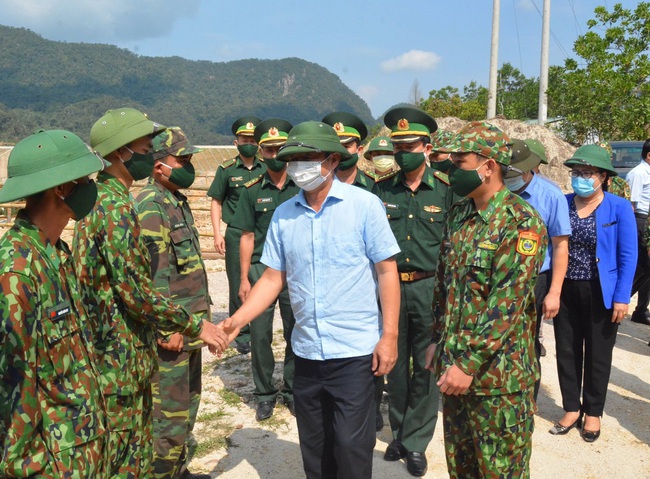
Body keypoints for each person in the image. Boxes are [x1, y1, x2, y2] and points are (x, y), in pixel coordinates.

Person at [220, 120, 401, 479]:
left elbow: (386, 272)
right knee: (315, 450)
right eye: (294, 158)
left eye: (309, 157)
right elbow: (273, 278)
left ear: (333, 161)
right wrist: (235, 321)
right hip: (306, 353)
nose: (300, 166)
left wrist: (390, 336)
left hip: (355, 352)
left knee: (352, 448)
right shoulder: (284, 215)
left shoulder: (364, 206)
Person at [72, 108, 228, 478]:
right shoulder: (114, 207)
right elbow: (136, 291)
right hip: (119, 356)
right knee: (140, 441)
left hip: (129, 349)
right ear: (122, 151)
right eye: (145, 146)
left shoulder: (114, 201)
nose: (150, 152)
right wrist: (193, 326)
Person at [425, 121, 547, 478]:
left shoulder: (520, 222)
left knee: (501, 472)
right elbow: (445, 286)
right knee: (462, 469)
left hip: (498, 381)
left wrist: (469, 363)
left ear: (489, 166)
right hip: (455, 370)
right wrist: (437, 339)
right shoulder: (460, 214)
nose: (451, 170)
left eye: (459, 162)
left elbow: (506, 303)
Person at [0, 130, 109, 478]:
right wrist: (26, 468)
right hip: (50, 461)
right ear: (61, 189)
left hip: (80, 446)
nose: (93, 187)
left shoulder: (55, 252)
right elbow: (14, 384)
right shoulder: (16, 271)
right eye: (86, 180)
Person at [373, 106, 454, 477]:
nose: (403, 152)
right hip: (390, 288)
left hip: (429, 288)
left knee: (426, 365)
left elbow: (453, 245)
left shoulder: (448, 190)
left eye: (410, 145)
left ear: (427, 146)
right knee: (394, 366)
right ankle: (400, 433)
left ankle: (418, 441)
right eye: (398, 146)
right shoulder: (381, 188)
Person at [134, 127, 212, 479]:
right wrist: (167, 329)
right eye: (182, 160)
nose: (188, 167)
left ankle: (179, 470)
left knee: (186, 410)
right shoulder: (151, 205)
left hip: (188, 329)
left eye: (190, 160)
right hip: (172, 335)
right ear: (157, 166)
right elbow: (153, 274)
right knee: (167, 418)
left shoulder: (175, 201)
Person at [550, 145, 636, 443]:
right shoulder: (563, 203)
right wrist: (552, 289)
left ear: (603, 177)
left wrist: (623, 297)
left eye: (587, 173)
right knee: (567, 349)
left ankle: (593, 412)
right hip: (566, 287)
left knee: (598, 354)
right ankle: (572, 407)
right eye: (576, 173)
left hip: (602, 290)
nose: (580, 179)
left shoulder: (619, 207)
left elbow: (628, 256)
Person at [230, 118, 299, 421]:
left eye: (280, 149)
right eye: (269, 150)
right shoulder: (251, 190)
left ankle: (294, 390)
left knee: (297, 333)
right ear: (260, 152)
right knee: (259, 337)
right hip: (261, 270)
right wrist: (244, 278)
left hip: (296, 271)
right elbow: (246, 235)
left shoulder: (303, 187)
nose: (274, 155)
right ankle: (264, 393)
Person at [504, 139, 571, 401]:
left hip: (534, 280)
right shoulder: (496, 191)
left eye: (513, 174)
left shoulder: (550, 195)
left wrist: (554, 292)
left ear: (528, 169)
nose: (508, 178)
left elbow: (560, 247)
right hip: (498, 277)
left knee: (527, 342)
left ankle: (526, 400)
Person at [208, 116, 265, 354]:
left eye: (253, 139)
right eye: (244, 139)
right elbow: (216, 201)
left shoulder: (265, 168)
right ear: (236, 142)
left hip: (260, 232)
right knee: (237, 282)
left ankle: (261, 328)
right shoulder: (227, 170)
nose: (248, 143)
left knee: (262, 280)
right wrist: (217, 233)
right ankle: (240, 332)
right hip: (235, 232)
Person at [624, 138, 650, 325]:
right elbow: (630, 205)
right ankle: (620, 302)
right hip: (640, 221)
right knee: (641, 267)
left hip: (647, 222)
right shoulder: (638, 173)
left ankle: (641, 310)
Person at [322, 111, 375, 191]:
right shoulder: (318, 184)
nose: (340, 152)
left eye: (346, 147)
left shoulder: (375, 184)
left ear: (359, 150)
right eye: (335, 147)